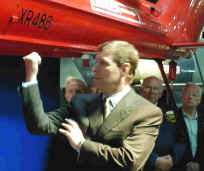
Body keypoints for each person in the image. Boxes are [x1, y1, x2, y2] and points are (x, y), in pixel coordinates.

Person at [19, 40, 163, 171]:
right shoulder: (82, 102)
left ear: (124, 69)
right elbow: (39, 125)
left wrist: (81, 145)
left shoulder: (147, 112)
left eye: (103, 63)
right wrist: (31, 77)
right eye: (96, 62)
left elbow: (130, 160)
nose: (94, 69)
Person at [140, 76, 185, 171]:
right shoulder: (129, 112)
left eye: (156, 89)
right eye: (148, 87)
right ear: (141, 90)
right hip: (142, 165)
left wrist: (173, 158)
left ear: (161, 93)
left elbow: (181, 137)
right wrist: (154, 160)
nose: (152, 92)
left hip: (169, 164)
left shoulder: (171, 111)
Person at [45, 76, 88, 171]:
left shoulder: (93, 117)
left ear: (86, 94)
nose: (74, 95)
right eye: (70, 91)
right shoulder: (58, 117)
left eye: (78, 92)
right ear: (65, 95)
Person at [174, 83, 204, 171]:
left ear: (199, 100)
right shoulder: (171, 118)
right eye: (187, 94)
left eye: (194, 95)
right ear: (182, 96)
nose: (190, 97)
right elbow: (169, 145)